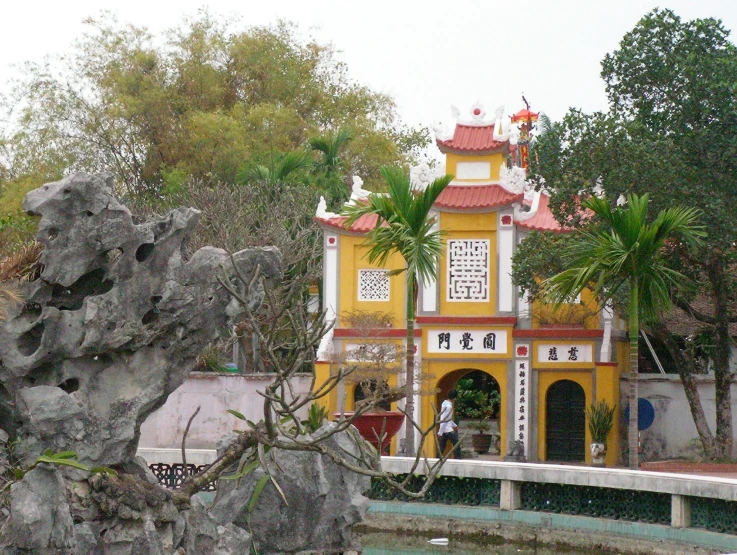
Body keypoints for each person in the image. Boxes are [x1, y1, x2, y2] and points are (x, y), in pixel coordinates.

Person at [438, 389, 462, 459]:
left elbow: (446, 419)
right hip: (448, 430)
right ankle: (458, 461)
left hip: (445, 429)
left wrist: (454, 425)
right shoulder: (449, 407)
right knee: (457, 446)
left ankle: (437, 460)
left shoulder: (444, 404)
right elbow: (446, 420)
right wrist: (440, 432)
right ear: (454, 398)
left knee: (441, 448)